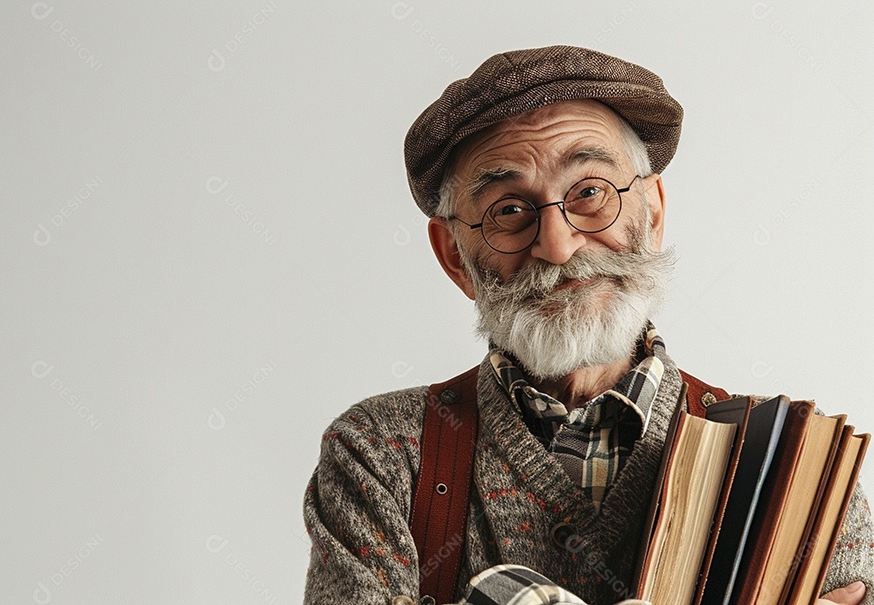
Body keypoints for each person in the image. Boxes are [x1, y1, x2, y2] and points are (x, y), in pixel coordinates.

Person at [301, 46, 874, 605]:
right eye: (508, 210)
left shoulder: (797, 462)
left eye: (590, 192)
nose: (557, 245)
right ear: (455, 255)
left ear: (652, 211)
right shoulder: (380, 452)